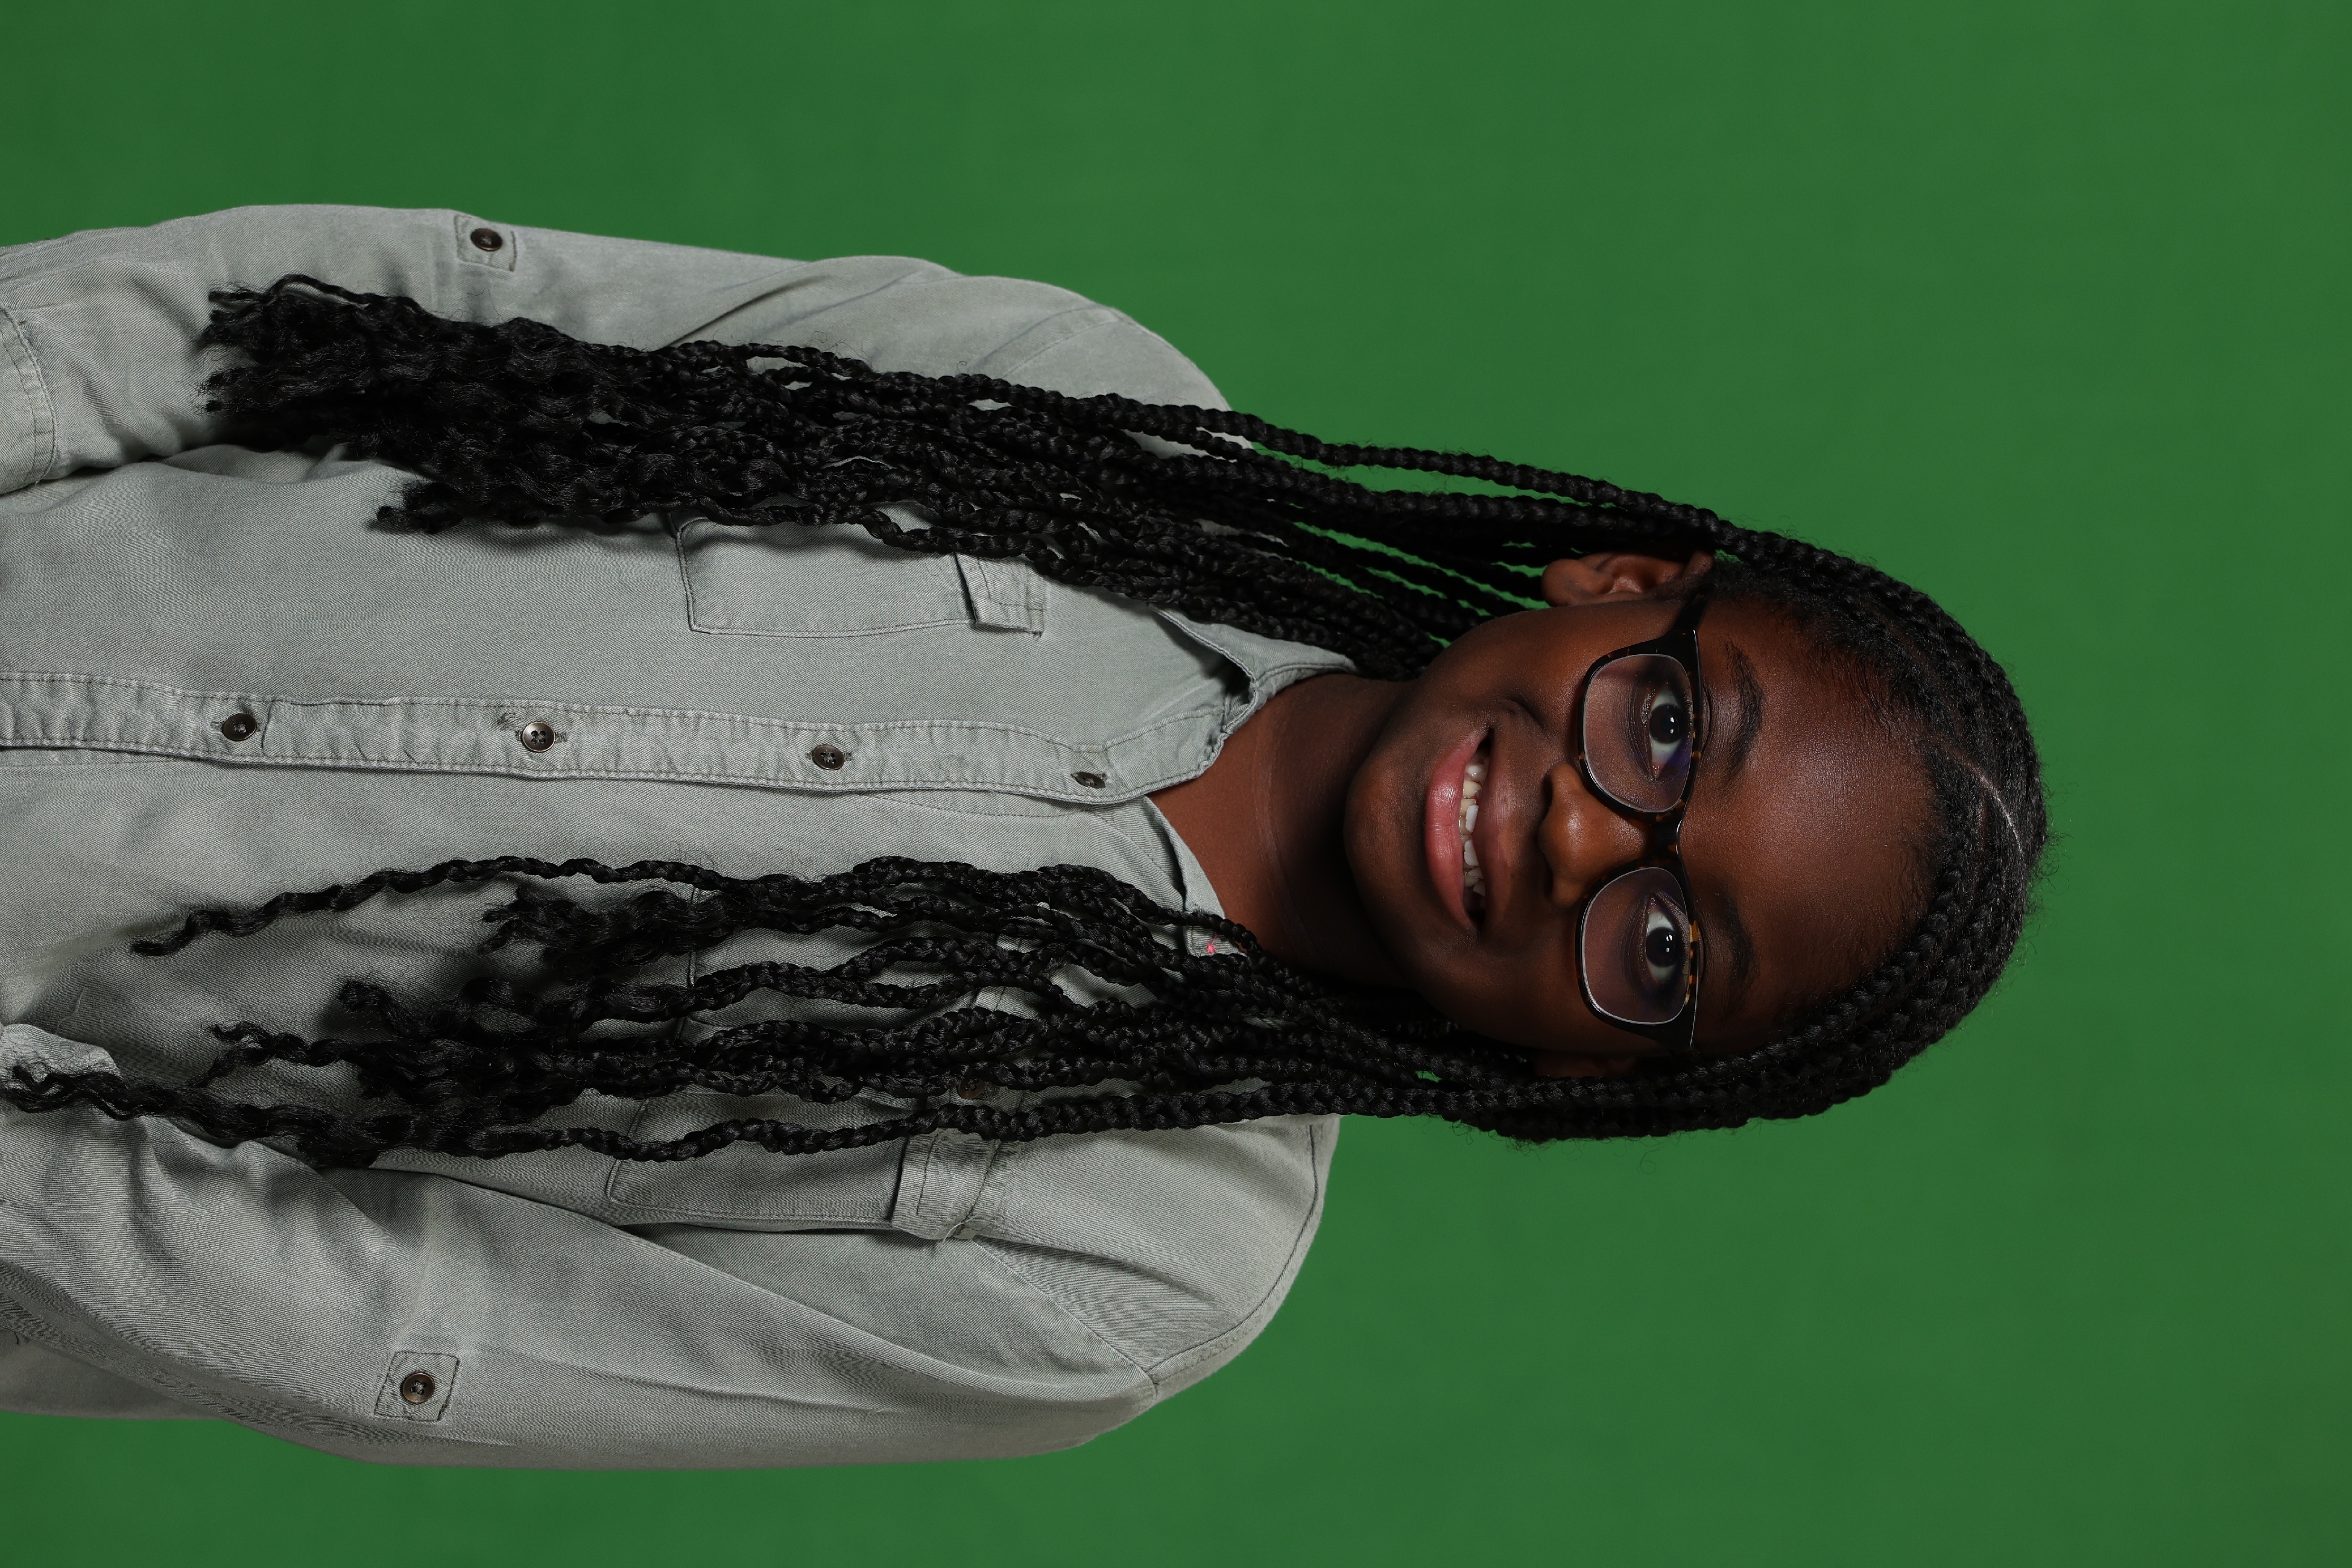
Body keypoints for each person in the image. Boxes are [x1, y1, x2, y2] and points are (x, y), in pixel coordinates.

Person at [0, 206, 2043, 1468]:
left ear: (1609, 1077)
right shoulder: (1074, 406)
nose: (1591, 834)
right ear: (1615, 584)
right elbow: (419, 317)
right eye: (1666, 727)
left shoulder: (1129, 1271)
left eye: (1667, 945)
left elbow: (399, 1328)